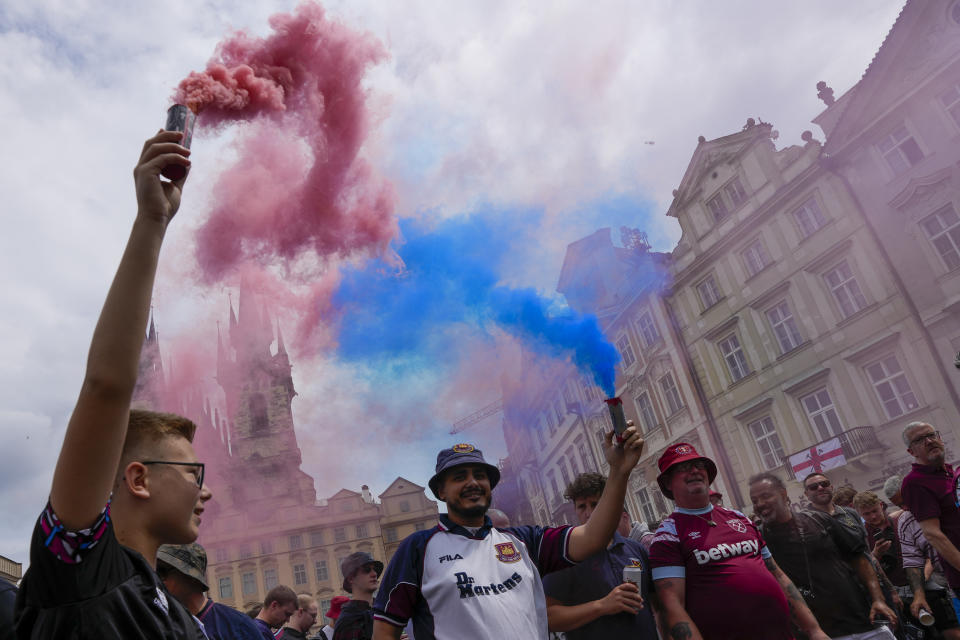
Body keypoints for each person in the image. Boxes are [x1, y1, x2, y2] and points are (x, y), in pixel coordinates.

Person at [12, 130, 210, 639]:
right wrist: (151, 222)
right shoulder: (84, 572)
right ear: (138, 478)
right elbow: (106, 388)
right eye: (194, 473)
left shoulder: (179, 616)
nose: (206, 492)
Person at [372, 429, 645, 640]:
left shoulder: (524, 540)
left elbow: (593, 537)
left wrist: (619, 472)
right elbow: (385, 632)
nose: (472, 482)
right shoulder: (417, 548)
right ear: (441, 492)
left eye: (480, 475)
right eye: (459, 477)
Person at [648, 443, 829, 640]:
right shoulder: (668, 534)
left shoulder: (739, 518)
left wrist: (814, 630)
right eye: (683, 468)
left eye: (699, 465)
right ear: (667, 482)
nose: (694, 471)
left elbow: (778, 575)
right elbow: (672, 605)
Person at [750, 474, 897, 639]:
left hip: (861, 621)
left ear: (783, 494)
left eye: (766, 496)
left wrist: (878, 598)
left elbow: (858, 558)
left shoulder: (818, 519)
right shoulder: (757, 539)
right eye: (754, 501)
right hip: (817, 633)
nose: (760, 504)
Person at [542, 472, 658, 639]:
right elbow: (548, 617)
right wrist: (602, 605)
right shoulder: (565, 557)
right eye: (582, 506)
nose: (589, 513)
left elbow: (657, 603)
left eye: (595, 504)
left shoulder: (635, 549)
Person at [156, 543, 262, 639]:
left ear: (191, 577)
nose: (157, 580)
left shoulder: (237, 625)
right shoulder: (163, 626)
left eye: (162, 571)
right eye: (155, 573)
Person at [334, 552, 383, 640]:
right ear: (351, 578)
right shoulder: (348, 621)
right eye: (367, 570)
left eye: (374, 569)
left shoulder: (382, 610)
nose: (374, 574)